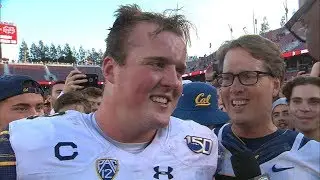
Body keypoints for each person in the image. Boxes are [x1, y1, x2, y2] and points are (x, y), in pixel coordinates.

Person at [0, 4, 218, 179]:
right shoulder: (22, 144)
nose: (174, 82)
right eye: (157, 64)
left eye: (179, 71)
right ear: (111, 70)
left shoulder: (204, 145)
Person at [214, 35, 319, 179]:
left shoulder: (312, 155)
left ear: (275, 85)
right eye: (227, 77)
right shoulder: (202, 145)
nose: (234, 88)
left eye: (248, 76)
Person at [282, 76, 320, 141]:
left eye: (314, 102)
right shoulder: (273, 148)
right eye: (297, 101)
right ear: (288, 105)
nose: (304, 109)